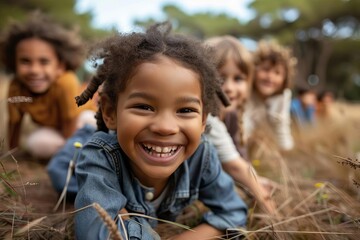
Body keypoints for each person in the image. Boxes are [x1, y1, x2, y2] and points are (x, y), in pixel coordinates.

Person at [74, 23, 247, 239]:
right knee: (67, 162)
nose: (165, 127)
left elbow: (234, 211)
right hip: (79, 156)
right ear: (110, 112)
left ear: (203, 120)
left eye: (185, 110)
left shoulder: (202, 157)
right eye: (144, 107)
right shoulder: (101, 156)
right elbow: (96, 234)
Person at [0, 11, 96, 159]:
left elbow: (70, 121)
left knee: (90, 120)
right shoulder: (15, 87)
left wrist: (68, 153)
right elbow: (14, 122)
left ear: (60, 66)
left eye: (44, 62)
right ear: (14, 63)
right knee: (36, 144)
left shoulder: (66, 81)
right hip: (56, 130)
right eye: (25, 61)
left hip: (79, 121)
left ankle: (91, 152)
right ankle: (85, 151)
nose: (34, 70)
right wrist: (12, 154)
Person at [204, 36, 276, 214]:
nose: (228, 88)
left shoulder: (231, 116)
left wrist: (256, 180)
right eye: (220, 79)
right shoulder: (207, 119)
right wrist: (273, 213)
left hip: (208, 181)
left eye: (238, 79)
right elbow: (235, 167)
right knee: (238, 205)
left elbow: (239, 157)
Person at [245, 39, 297, 151]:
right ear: (254, 70)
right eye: (265, 69)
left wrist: (287, 150)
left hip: (264, 145)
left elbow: (282, 124)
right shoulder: (246, 92)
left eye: (277, 73)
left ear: (285, 79)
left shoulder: (283, 96)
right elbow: (243, 127)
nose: (270, 77)